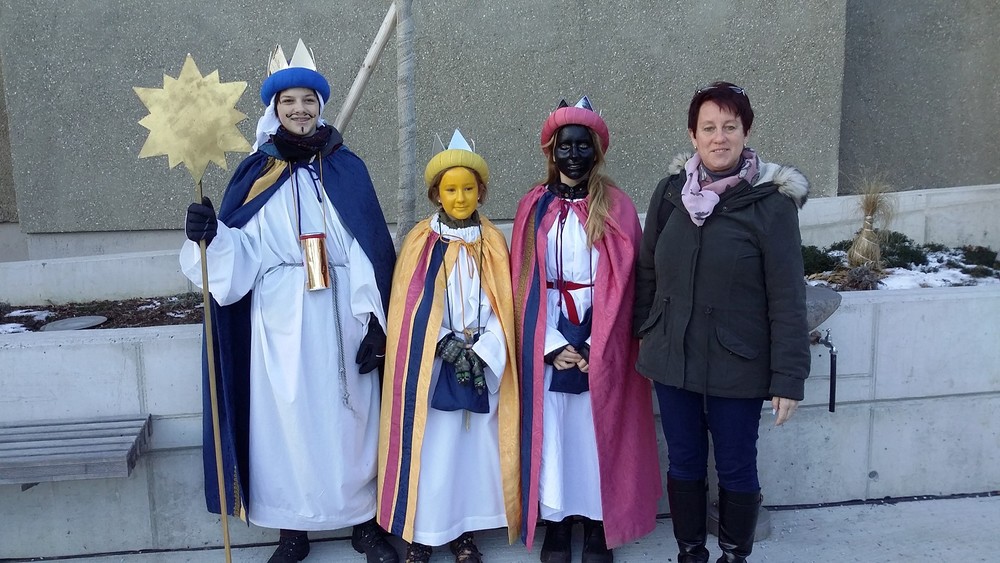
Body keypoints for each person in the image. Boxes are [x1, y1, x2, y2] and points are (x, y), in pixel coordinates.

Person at [180, 41, 398, 563]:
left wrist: (376, 322)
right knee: (286, 425)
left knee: (353, 420)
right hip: (279, 321)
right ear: (274, 109)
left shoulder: (346, 167)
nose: (300, 110)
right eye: (288, 101)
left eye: (308, 100)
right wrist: (209, 235)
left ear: (320, 105)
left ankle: (364, 523)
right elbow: (240, 257)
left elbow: (367, 245)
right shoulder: (256, 172)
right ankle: (291, 530)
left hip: (343, 314)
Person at [633, 81, 811, 563]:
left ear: (745, 132)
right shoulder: (670, 194)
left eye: (729, 127)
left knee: (735, 466)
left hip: (738, 363)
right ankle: (690, 553)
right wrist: (645, 334)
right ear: (693, 135)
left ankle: (735, 556)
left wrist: (789, 377)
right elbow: (647, 270)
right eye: (708, 127)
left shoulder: (770, 205)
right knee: (685, 462)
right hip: (674, 359)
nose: (719, 137)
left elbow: (787, 297)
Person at [510, 98, 662, 563]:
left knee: (600, 433)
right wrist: (552, 345)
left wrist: (595, 343)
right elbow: (521, 281)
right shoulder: (533, 206)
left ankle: (599, 524)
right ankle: (558, 524)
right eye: (565, 146)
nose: (573, 155)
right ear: (551, 152)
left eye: (583, 146)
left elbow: (629, 282)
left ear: (596, 152)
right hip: (551, 335)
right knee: (555, 434)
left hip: (604, 336)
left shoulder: (617, 206)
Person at [376, 130, 520, 563]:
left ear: (482, 192)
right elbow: (409, 307)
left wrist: (485, 349)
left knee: (471, 456)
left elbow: (504, 306)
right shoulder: (421, 241)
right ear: (436, 194)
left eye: (468, 189)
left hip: (481, 362)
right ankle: (421, 534)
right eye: (451, 189)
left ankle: (463, 533)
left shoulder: (492, 242)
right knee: (431, 451)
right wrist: (443, 344)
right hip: (434, 365)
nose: (460, 198)